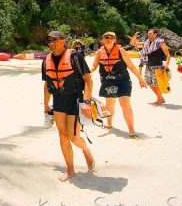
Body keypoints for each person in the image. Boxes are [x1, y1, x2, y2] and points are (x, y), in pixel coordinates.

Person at [42, 31, 95, 181]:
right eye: (49, 41)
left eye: (55, 40)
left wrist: (86, 102)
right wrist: (46, 103)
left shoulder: (75, 56)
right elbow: (47, 84)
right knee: (62, 137)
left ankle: (85, 150)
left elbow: (88, 80)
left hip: (75, 100)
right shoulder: (46, 60)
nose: (51, 43)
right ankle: (70, 170)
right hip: (58, 101)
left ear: (63, 41)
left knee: (73, 137)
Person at [90, 32, 148, 138]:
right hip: (107, 81)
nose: (109, 39)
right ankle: (109, 123)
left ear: (115, 40)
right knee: (110, 103)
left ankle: (131, 130)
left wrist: (140, 78)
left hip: (123, 80)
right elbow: (94, 66)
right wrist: (87, 72)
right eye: (106, 38)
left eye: (111, 38)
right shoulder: (99, 52)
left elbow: (130, 66)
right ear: (102, 40)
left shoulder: (121, 51)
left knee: (125, 103)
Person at [130, 29, 171, 106]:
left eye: (150, 33)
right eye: (148, 33)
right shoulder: (146, 43)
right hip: (148, 66)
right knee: (149, 83)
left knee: (156, 84)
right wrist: (135, 36)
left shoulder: (160, 42)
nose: (148, 34)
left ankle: (160, 99)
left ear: (155, 34)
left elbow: (168, 54)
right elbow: (132, 43)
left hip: (157, 66)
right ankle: (160, 98)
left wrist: (166, 65)